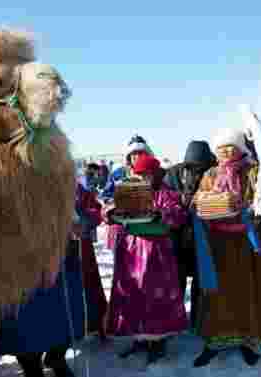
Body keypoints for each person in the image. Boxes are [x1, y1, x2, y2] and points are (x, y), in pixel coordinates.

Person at [191, 127, 261, 367]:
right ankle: (216, 340)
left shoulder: (252, 171)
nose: (225, 151)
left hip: (246, 242)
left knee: (247, 290)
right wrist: (208, 204)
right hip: (218, 243)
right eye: (220, 148)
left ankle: (250, 340)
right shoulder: (210, 173)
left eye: (230, 146)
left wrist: (245, 208)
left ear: (240, 148)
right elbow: (197, 199)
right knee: (219, 293)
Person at [104, 154, 188, 365]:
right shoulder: (127, 192)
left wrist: (160, 214)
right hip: (131, 251)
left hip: (155, 252)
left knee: (155, 295)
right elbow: (108, 212)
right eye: (138, 174)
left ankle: (157, 341)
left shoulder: (165, 194)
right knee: (134, 293)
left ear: (155, 174)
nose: (142, 178)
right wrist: (112, 214)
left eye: (146, 174)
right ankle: (139, 337)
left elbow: (178, 216)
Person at [0, 238, 87, 377]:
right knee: (24, 315)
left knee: (62, 313)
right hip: (14, 246)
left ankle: (56, 357)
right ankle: (31, 365)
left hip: (57, 245)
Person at [164, 140, 217, 327]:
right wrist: (180, 203)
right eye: (192, 167)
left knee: (200, 280)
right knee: (176, 279)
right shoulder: (173, 174)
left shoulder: (214, 172)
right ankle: (175, 318)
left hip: (203, 235)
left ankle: (198, 319)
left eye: (200, 167)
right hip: (178, 234)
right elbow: (166, 198)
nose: (196, 171)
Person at [101, 135, 154, 251]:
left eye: (141, 153)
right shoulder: (118, 174)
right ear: (128, 156)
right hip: (122, 229)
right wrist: (114, 204)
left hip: (147, 232)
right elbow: (106, 195)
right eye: (134, 154)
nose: (137, 157)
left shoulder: (154, 173)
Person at [74, 163, 108, 338]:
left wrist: (84, 221)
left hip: (81, 245)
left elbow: (95, 209)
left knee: (88, 284)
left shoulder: (77, 189)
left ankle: (94, 324)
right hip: (54, 249)